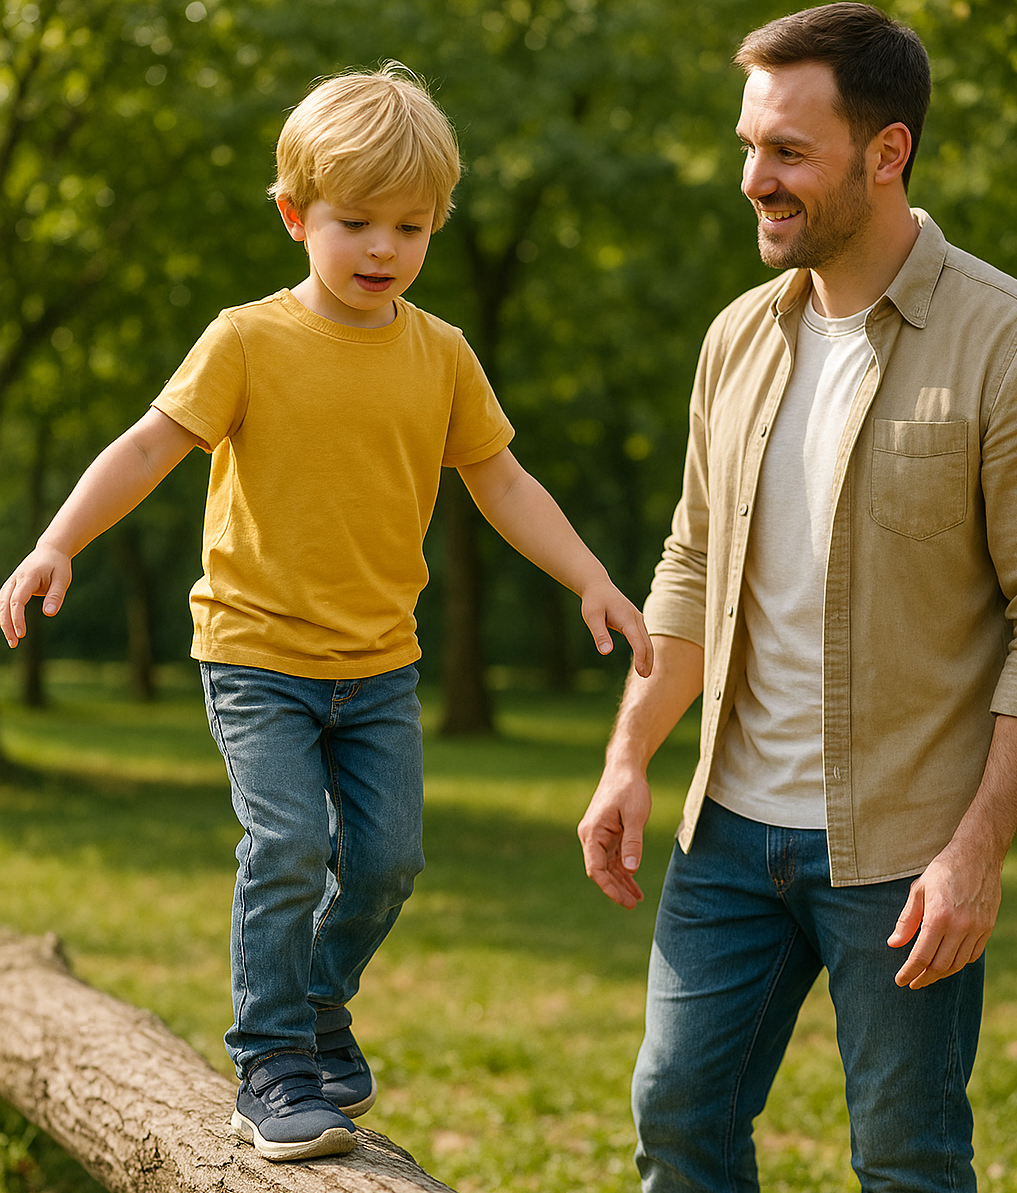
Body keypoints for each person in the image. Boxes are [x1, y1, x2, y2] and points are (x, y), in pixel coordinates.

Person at [0, 66, 653, 1164]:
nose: (382, 249)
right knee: (292, 842)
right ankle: (271, 1062)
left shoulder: (440, 352)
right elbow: (151, 443)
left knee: (390, 859)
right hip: (256, 655)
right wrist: (58, 540)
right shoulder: (247, 339)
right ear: (296, 215)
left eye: (410, 225)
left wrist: (589, 573)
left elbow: (501, 480)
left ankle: (315, 1004)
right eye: (355, 222)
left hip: (379, 665)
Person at [577, 5, 1017, 1190]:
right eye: (746, 144)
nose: (752, 180)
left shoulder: (1002, 342)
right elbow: (689, 563)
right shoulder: (737, 337)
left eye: (785, 151)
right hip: (724, 832)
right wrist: (629, 758)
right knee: (676, 1122)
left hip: (903, 846)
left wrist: (978, 849)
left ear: (887, 152)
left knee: (907, 1158)